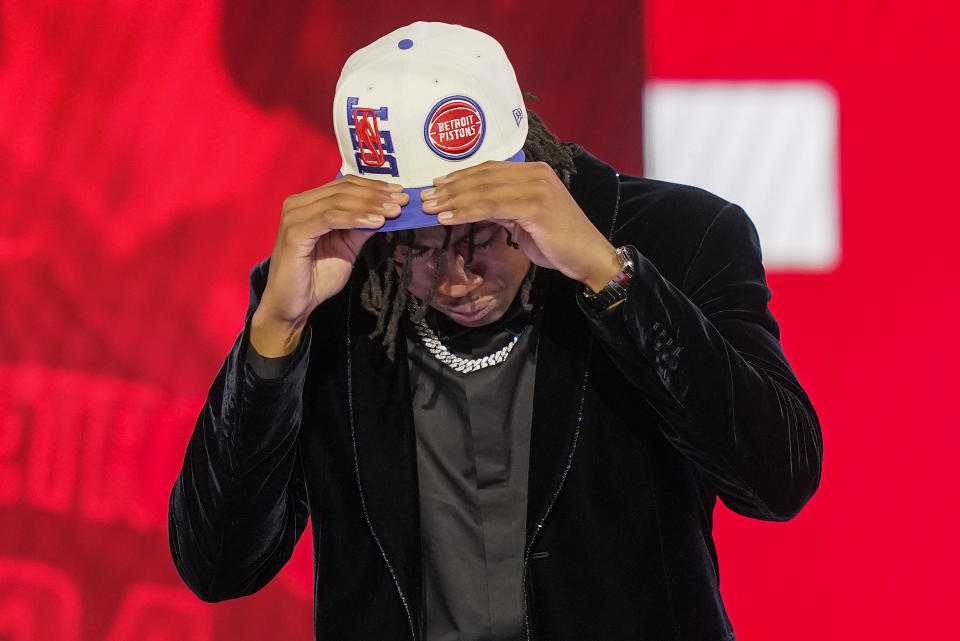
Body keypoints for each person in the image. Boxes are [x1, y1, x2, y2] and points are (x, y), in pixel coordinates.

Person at [169, 21, 822, 641]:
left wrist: (609, 276)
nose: (453, 278)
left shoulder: (682, 239)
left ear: (526, 174)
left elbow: (777, 478)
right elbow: (219, 565)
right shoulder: (333, 288)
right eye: (415, 248)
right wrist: (276, 332)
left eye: (478, 236)